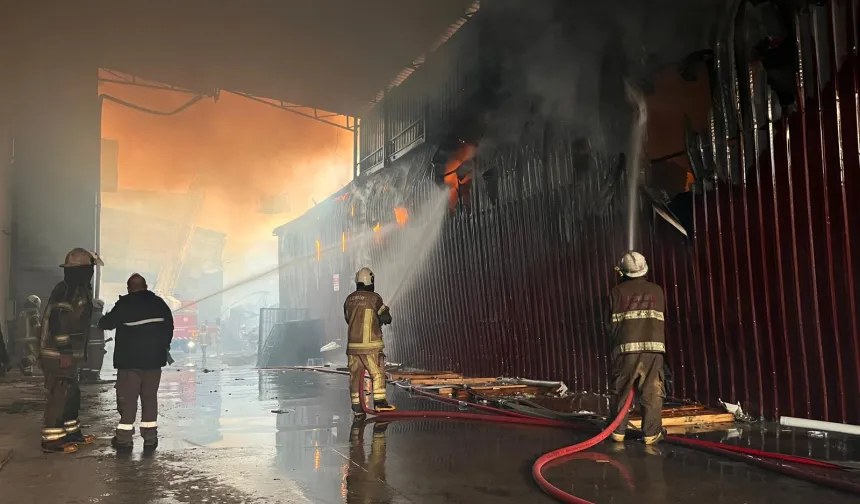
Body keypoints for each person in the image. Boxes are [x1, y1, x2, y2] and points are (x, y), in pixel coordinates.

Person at [98, 273, 174, 451]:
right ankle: (150, 438)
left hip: (130, 362)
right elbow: (169, 327)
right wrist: (162, 347)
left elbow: (106, 324)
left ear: (129, 288)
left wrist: (107, 314)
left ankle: (124, 439)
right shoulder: (159, 304)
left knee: (128, 400)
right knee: (149, 398)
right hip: (154, 361)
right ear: (146, 287)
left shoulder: (125, 304)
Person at [37, 248, 102, 453]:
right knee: (60, 393)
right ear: (83, 269)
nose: (92, 272)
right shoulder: (68, 290)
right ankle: (52, 438)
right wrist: (64, 350)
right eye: (90, 268)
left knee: (71, 393)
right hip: (57, 354)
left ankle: (71, 432)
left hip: (68, 354)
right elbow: (59, 320)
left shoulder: (78, 288)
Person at [607, 251, 667, 445]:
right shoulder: (657, 291)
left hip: (625, 351)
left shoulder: (616, 292)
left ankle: (617, 431)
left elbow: (610, 325)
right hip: (653, 350)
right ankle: (651, 434)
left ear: (622, 271)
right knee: (652, 392)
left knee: (621, 390)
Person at [344, 267, 394, 414]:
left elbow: (348, 318)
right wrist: (384, 314)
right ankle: (380, 403)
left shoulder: (349, 299)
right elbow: (386, 318)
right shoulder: (374, 298)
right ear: (371, 281)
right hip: (371, 346)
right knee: (377, 374)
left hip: (353, 347)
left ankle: (357, 406)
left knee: (355, 376)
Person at [16, 295, 42, 376]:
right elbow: (36, 326)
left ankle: (27, 370)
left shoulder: (22, 312)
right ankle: (23, 364)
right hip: (30, 338)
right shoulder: (33, 312)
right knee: (36, 353)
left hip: (20, 338)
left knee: (27, 354)